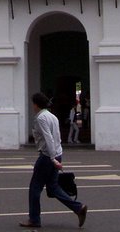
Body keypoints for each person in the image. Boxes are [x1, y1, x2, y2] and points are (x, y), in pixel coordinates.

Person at [19, 92, 87, 229]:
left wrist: (52, 158)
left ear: (36, 104)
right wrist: (57, 156)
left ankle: (34, 219)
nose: (33, 106)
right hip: (56, 153)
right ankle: (78, 208)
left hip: (47, 157)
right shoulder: (53, 117)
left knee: (35, 188)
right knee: (53, 187)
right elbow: (57, 137)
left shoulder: (41, 118)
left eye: (33, 103)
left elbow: (48, 137)